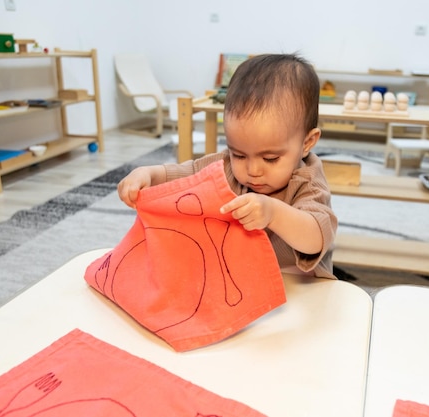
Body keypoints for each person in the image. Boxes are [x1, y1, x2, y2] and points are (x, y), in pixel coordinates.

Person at [118, 53, 337, 279]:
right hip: (242, 280)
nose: (252, 170)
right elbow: (187, 174)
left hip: (300, 287)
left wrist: (273, 213)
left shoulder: (308, 183)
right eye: (239, 154)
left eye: (270, 158)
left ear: (307, 143)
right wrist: (147, 174)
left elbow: (316, 237)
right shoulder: (225, 165)